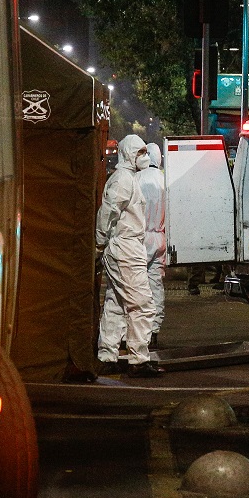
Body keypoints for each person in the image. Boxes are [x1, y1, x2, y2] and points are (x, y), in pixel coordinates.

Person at [95, 134, 162, 378]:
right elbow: (109, 211)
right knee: (142, 303)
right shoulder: (124, 179)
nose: (144, 157)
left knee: (116, 303)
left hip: (124, 245)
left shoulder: (126, 178)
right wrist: (100, 240)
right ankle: (138, 359)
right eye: (140, 152)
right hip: (125, 247)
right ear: (129, 154)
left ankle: (108, 355)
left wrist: (102, 243)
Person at [137, 142, 166, 347]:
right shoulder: (165, 180)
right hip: (159, 238)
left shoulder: (136, 179)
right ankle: (154, 331)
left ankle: (132, 333)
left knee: (134, 286)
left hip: (138, 238)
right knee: (155, 285)